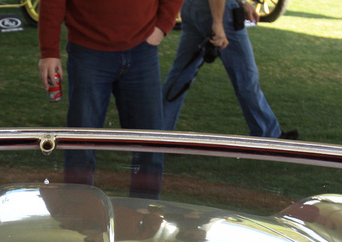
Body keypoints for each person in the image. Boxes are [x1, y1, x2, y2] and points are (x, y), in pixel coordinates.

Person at [38, 0, 183, 197]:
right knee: (81, 146)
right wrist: (49, 51)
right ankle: (79, 216)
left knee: (150, 145)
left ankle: (144, 216)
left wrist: (161, 27)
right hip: (88, 49)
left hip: (141, 50)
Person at [162, 0, 295, 138]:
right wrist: (218, 23)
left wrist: (242, 3)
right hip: (220, 11)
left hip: (191, 7)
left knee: (180, 75)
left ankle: (158, 133)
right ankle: (268, 134)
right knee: (246, 77)